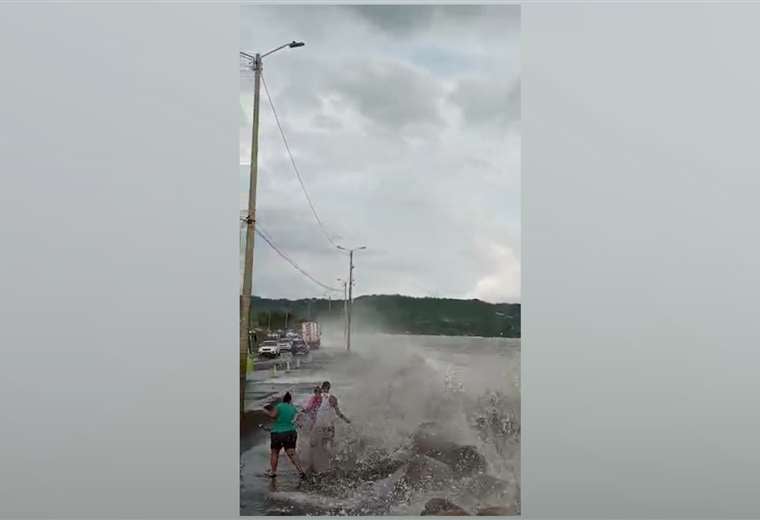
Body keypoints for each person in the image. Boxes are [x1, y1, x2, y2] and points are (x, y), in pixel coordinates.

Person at [263, 391, 306, 479]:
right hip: (290, 432)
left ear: (283, 399)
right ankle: (301, 472)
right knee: (292, 453)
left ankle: (273, 472)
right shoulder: (293, 408)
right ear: (290, 400)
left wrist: (266, 412)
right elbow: (299, 419)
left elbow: (273, 416)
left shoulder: (279, 406)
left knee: (275, 452)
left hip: (277, 433)